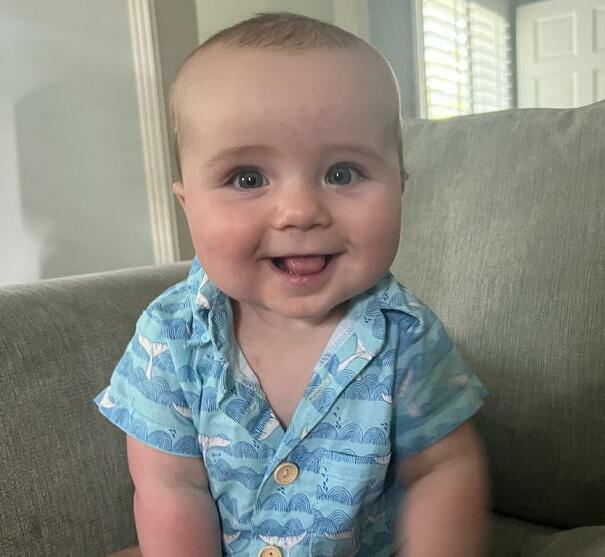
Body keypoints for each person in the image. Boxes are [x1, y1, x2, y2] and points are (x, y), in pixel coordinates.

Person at [96, 12, 488, 557]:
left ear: (399, 187)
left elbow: (440, 471)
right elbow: (170, 487)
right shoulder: (170, 337)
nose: (300, 211)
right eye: (248, 178)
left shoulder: (405, 336)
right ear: (189, 206)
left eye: (342, 173)